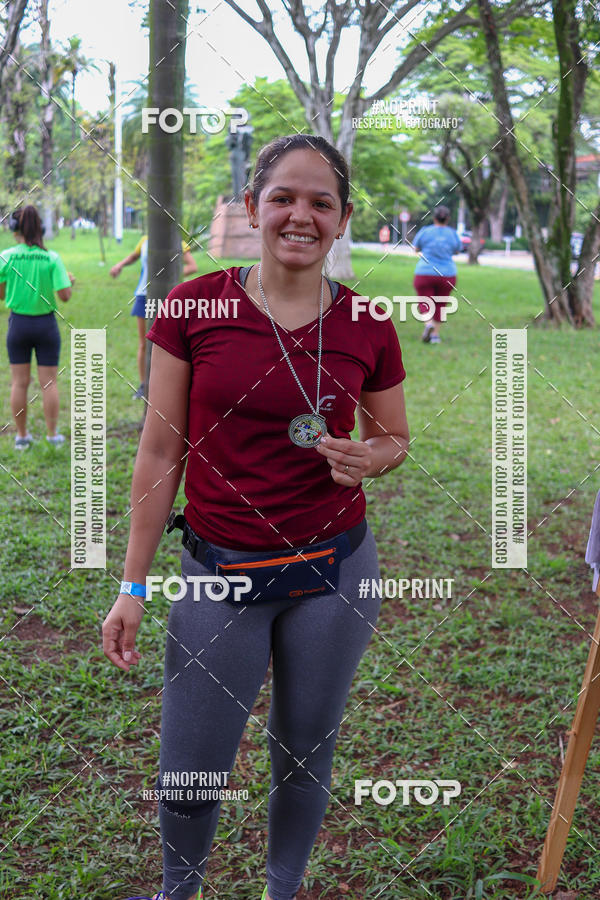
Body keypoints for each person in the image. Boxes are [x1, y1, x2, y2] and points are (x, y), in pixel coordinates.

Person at [102, 133, 409, 900]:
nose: (301, 215)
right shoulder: (194, 306)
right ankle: (178, 892)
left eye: (321, 202)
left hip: (334, 573)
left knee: (304, 754)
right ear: (252, 207)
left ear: (342, 220)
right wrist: (132, 586)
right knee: (192, 765)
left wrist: (372, 457)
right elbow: (159, 452)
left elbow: (395, 437)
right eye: (283, 197)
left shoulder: (369, 322)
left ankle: (282, 892)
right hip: (219, 575)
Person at [0, 205, 73, 449]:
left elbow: (1, 294)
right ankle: (52, 436)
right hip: (46, 326)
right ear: (40, 228)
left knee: (19, 383)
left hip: (18, 325)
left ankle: (22, 437)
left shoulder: (6, 256)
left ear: (15, 229)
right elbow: (65, 296)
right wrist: (68, 281)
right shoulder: (51, 258)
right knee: (49, 383)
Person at [110, 235, 197, 398]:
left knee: (168, 344)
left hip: (166, 296)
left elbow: (193, 266)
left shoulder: (176, 241)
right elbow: (133, 256)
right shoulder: (145, 240)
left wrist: (169, 275)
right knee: (144, 343)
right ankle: (144, 386)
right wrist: (119, 265)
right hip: (143, 296)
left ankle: (169, 385)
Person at [412, 205, 462, 344]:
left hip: (424, 272)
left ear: (434, 218)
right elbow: (457, 250)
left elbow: (416, 248)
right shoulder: (452, 233)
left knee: (425, 301)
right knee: (441, 304)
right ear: (448, 219)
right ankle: (435, 336)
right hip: (447, 274)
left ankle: (428, 324)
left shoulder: (425, 231)